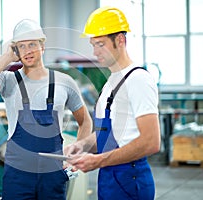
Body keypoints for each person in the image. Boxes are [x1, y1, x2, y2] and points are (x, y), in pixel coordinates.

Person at [0, 19, 92, 200]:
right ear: (16, 50)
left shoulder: (64, 82)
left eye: (32, 44)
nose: (27, 51)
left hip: (53, 175)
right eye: (22, 46)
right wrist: (6, 58)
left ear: (42, 46)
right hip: (18, 175)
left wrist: (77, 152)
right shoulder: (8, 80)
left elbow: (85, 121)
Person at [65, 7, 161, 200]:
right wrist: (82, 145)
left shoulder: (138, 80)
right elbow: (109, 134)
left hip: (130, 180)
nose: (95, 52)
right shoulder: (111, 82)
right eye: (93, 45)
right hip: (109, 178)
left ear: (120, 40)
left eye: (100, 44)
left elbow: (151, 142)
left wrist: (99, 160)